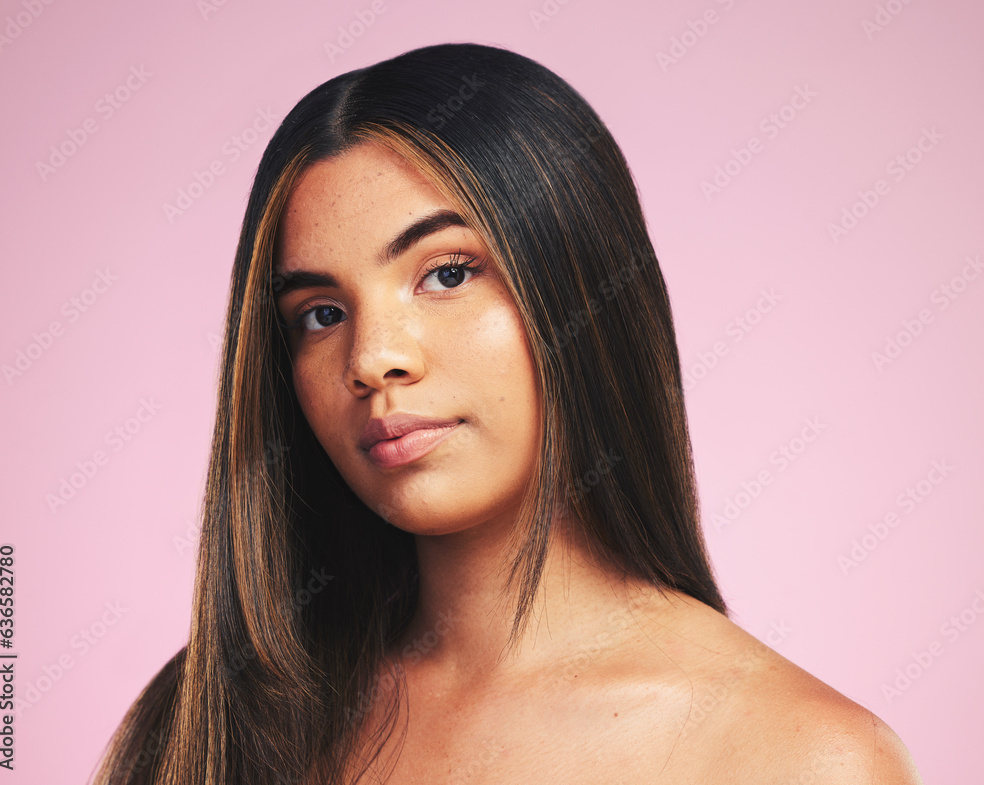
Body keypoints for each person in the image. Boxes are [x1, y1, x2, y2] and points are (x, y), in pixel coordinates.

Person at [91, 42, 924, 784]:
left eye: (447, 273)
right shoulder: (204, 723)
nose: (374, 358)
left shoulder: (801, 758)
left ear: (583, 288)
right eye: (320, 312)